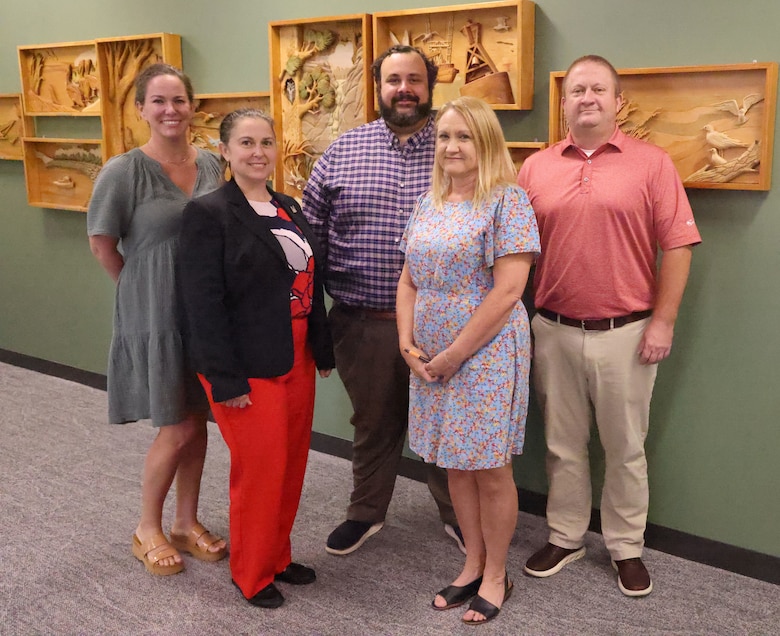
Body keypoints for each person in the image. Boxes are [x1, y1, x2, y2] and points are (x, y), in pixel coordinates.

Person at [517, 55, 701, 597]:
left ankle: (625, 547)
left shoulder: (652, 163)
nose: (588, 98)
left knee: (625, 448)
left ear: (617, 101)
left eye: (599, 89)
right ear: (565, 102)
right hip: (551, 328)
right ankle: (567, 535)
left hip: (629, 333)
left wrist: (663, 322)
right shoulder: (536, 168)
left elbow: (679, 247)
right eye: (577, 90)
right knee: (562, 445)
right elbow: (514, 251)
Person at [302, 44, 461, 556]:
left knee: (443, 424)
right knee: (372, 422)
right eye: (394, 80)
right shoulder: (343, 151)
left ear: (429, 85)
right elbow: (312, 239)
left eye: (414, 79)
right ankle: (366, 512)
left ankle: (460, 516)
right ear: (379, 88)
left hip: (443, 323)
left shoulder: (456, 147)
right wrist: (317, 325)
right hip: (362, 322)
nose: (404, 90)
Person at [178, 109, 335, 609]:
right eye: (246, 143)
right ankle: (250, 572)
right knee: (260, 469)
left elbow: (310, 281)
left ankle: (278, 555)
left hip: (297, 353)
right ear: (224, 151)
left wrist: (323, 347)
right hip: (244, 364)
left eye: (266, 142)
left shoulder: (288, 205)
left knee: (290, 465)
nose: (258, 152)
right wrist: (223, 378)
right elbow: (200, 304)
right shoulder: (208, 213)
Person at [397, 96, 540, 625]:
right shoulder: (427, 203)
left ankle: (498, 573)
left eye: (465, 137)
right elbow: (408, 279)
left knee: (490, 467)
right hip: (431, 356)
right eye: (444, 137)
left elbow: (508, 293)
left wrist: (455, 355)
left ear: (486, 144)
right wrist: (407, 344)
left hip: (486, 353)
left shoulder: (508, 201)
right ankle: (472, 562)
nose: (452, 147)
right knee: (455, 464)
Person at [87, 63, 226, 576]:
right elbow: (101, 243)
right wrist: (140, 292)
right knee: (176, 423)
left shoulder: (212, 164)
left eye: (179, 101)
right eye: (159, 102)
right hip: (154, 314)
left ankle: (186, 523)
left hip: (206, 314)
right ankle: (147, 526)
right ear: (142, 109)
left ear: (193, 107)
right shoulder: (123, 171)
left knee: (200, 420)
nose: (170, 111)